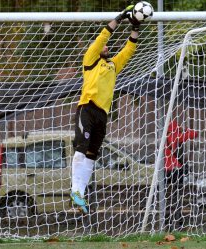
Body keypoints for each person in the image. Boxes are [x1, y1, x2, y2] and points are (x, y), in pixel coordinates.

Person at [70, 6, 141, 214]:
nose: (107, 47)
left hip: (102, 114)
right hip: (87, 109)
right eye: (105, 46)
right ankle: (75, 189)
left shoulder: (112, 65)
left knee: (92, 155)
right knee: (81, 149)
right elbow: (102, 38)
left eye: (108, 46)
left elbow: (128, 51)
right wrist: (118, 19)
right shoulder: (90, 60)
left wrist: (135, 28)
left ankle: (80, 193)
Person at [164, 119, 198, 229]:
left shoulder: (162, 138)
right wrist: (183, 129)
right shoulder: (178, 136)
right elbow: (194, 134)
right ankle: (178, 221)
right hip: (176, 171)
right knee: (177, 197)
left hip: (164, 172)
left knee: (165, 197)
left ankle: (166, 221)